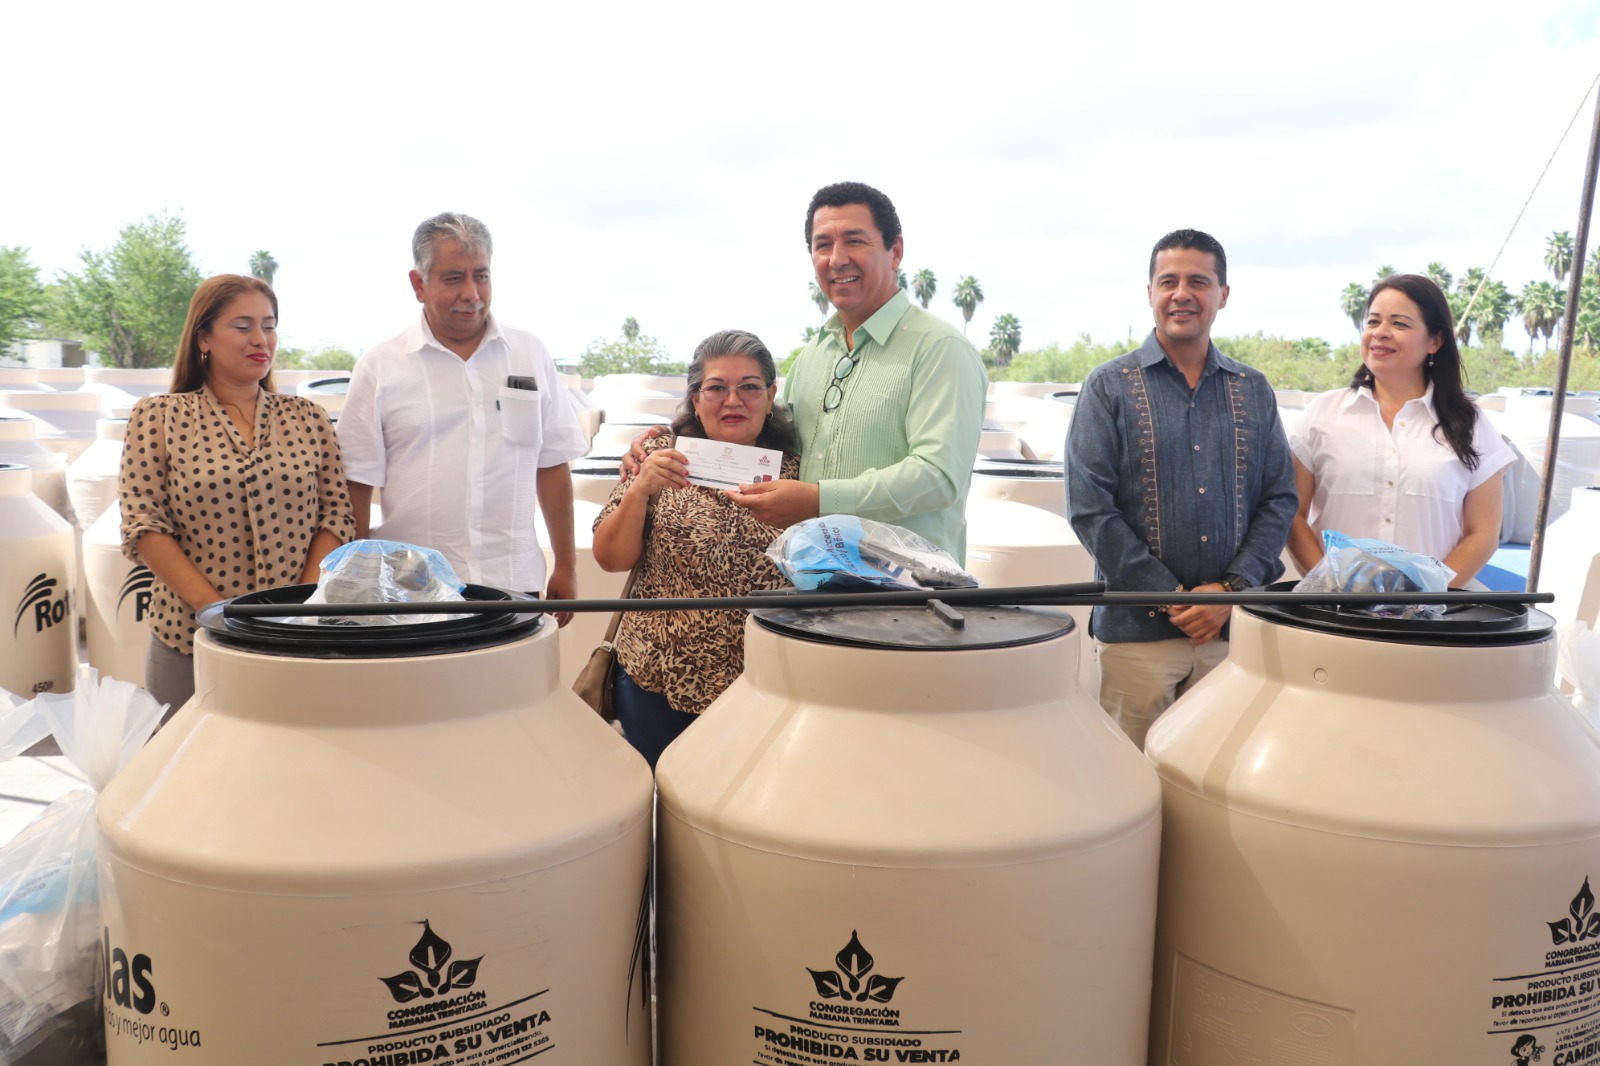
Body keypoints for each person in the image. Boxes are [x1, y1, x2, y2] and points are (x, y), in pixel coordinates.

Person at [629, 182, 987, 563]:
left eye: (855, 241)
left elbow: (937, 478)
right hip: (813, 587)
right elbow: (764, 437)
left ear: (895, 251)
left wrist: (819, 500)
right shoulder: (813, 357)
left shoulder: (939, 349)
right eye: (822, 245)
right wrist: (663, 445)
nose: (837, 259)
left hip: (906, 596)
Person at [1066, 229, 1296, 749]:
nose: (1182, 294)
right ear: (1150, 291)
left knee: (1219, 778)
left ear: (1223, 295)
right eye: (1168, 281)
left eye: (1199, 281)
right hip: (1137, 636)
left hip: (1233, 635)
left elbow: (1279, 499)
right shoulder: (1109, 386)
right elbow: (1089, 508)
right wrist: (1172, 598)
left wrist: (1230, 592)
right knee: (1131, 776)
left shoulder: (1252, 389)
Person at [119, 275, 357, 713]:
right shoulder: (159, 417)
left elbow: (337, 515)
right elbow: (143, 523)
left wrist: (298, 607)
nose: (260, 339)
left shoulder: (308, 418)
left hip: (297, 636)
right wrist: (218, 612)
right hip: (190, 638)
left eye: (269, 325)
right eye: (242, 326)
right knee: (187, 770)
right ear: (203, 338)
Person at [338, 212, 587, 618]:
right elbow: (358, 483)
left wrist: (567, 565)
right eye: (454, 278)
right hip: (408, 589)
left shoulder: (530, 353)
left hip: (513, 584)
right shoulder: (381, 365)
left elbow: (553, 462)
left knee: (511, 684)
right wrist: (356, 583)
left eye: (481, 276)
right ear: (419, 284)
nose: (471, 293)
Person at [593, 330, 801, 767]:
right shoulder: (658, 453)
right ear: (695, 396)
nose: (733, 400)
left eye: (749, 386)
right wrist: (640, 490)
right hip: (657, 676)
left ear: (770, 395)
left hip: (759, 685)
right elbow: (610, 558)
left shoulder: (800, 469)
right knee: (662, 801)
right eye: (716, 388)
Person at [1287, 274, 1514, 583]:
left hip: (1429, 620)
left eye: (1399, 324)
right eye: (1373, 322)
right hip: (1335, 613)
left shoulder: (1470, 425)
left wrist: (1427, 596)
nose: (1381, 333)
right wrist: (1329, 586)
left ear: (1435, 341)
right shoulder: (1321, 415)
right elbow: (1291, 514)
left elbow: (1483, 533)